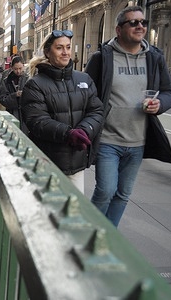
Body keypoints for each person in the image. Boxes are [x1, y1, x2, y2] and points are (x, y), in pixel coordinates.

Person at [84, 5, 171, 226]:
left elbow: (168, 92)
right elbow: (86, 92)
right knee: (106, 190)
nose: (140, 26)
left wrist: (159, 104)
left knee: (123, 194)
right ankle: (90, 234)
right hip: (107, 140)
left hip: (138, 141)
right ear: (118, 29)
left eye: (143, 22)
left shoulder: (154, 57)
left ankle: (108, 236)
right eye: (133, 22)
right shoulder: (102, 58)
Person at [20, 30, 104, 193]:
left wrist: (85, 131)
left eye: (68, 47)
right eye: (59, 48)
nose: (65, 52)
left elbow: (97, 110)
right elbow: (37, 121)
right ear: (47, 52)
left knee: (74, 212)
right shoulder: (35, 85)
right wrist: (68, 134)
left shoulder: (84, 79)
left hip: (76, 163)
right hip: (47, 163)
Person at [0, 56, 30, 132]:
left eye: (20, 68)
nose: (18, 71)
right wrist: (15, 95)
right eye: (16, 69)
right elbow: (2, 99)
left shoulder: (29, 79)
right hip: (11, 115)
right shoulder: (6, 81)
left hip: (26, 116)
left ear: (23, 66)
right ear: (11, 68)